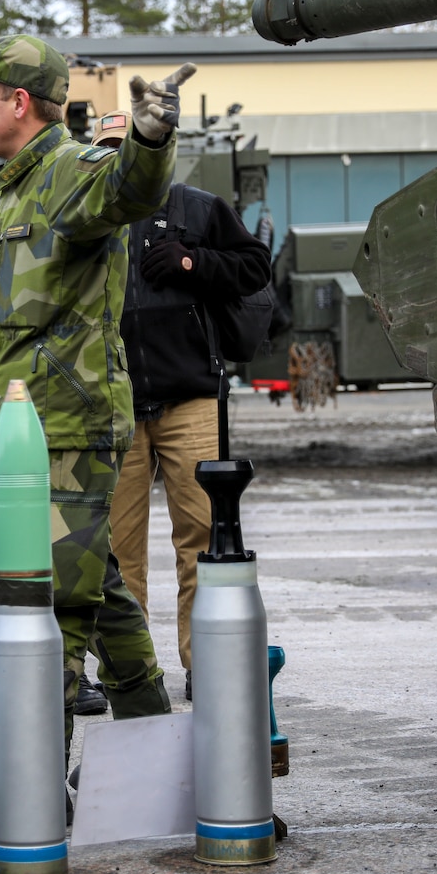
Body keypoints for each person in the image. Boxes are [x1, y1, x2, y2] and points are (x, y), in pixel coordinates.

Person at [0, 35, 193, 827]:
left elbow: (128, 189)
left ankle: (30, 786)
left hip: (68, 430)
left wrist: (150, 138)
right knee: (102, 592)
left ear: (18, 102)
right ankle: (158, 760)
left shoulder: (66, 170)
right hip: (33, 426)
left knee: (46, 606)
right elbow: (13, 334)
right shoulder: (13, 187)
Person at [92, 110, 272, 701]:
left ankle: (207, 660)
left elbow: (254, 267)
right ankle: (130, 669)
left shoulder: (197, 207)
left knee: (203, 535)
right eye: (112, 148)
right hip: (113, 401)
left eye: (135, 147)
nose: (126, 158)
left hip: (191, 398)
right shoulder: (87, 214)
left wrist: (192, 262)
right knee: (118, 549)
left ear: (160, 151)